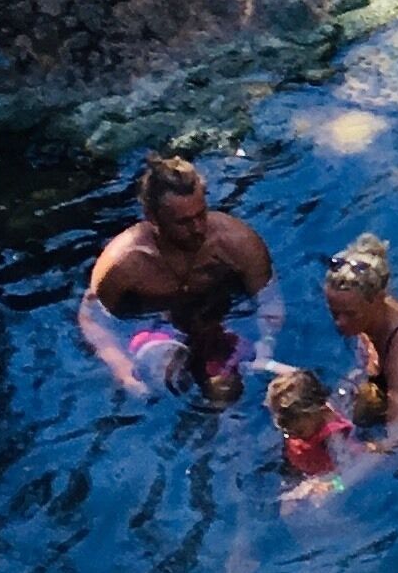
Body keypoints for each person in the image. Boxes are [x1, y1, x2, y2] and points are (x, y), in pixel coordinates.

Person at [79, 153, 279, 398]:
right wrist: (119, 365)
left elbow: (268, 300)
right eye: (183, 222)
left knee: (227, 388)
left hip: (221, 319)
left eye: (201, 214)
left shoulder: (238, 244)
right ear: (153, 218)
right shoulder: (123, 265)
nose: (198, 228)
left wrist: (266, 343)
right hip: (155, 328)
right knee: (164, 378)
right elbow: (92, 317)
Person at [322, 234, 398, 433]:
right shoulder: (368, 313)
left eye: (350, 314)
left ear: (378, 299)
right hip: (376, 386)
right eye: (334, 312)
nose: (339, 323)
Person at [266, 368, 359, 491]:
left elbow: (355, 470)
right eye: (287, 432)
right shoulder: (298, 424)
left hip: (329, 475)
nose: (294, 436)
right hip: (303, 467)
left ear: (318, 412)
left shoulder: (334, 437)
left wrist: (332, 486)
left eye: (299, 431)